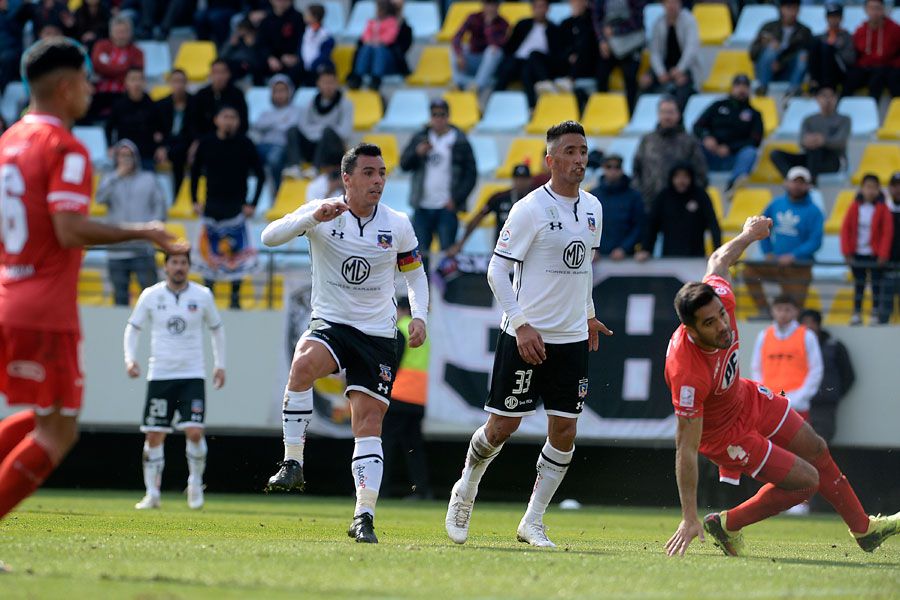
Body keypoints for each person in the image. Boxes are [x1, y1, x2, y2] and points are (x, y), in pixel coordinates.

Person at [0, 38, 181, 542]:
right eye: (85, 81)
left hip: (8, 295)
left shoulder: (8, 142)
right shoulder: (66, 148)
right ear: (64, 87)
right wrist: (144, 231)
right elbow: (69, 229)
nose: (90, 91)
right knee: (59, 432)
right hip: (44, 308)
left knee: (43, 418)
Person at [666, 214, 900, 558]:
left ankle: (863, 530)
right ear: (691, 330)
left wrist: (748, 235)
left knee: (817, 446)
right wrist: (688, 517)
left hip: (746, 398)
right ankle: (727, 524)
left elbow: (718, 260)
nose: (722, 325)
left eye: (720, 314)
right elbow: (685, 449)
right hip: (725, 435)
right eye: (710, 323)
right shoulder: (686, 370)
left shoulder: (721, 299)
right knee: (807, 482)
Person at [444, 121, 613, 548]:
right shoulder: (529, 209)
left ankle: (532, 521)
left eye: (583, 151)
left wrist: (588, 314)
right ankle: (465, 488)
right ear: (550, 159)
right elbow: (496, 271)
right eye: (570, 151)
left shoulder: (593, 207)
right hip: (526, 336)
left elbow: (583, 270)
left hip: (571, 338)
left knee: (565, 432)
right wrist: (520, 324)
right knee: (503, 425)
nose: (579, 159)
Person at [260, 143, 430, 544]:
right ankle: (292, 462)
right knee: (302, 365)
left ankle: (363, 516)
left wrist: (420, 315)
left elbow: (415, 276)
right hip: (332, 323)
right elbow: (269, 237)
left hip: (377, 334)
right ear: (347, 179)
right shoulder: (322, 213)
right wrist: (308, 216)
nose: (378, 181)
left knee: (368, 425)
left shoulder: (398, 223)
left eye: (382, 173)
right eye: (369, 173)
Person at [124, 251, 225, 511]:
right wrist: (130, 359)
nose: (179, 267)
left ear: (189, 267)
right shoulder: (151, 295)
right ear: (166, 266)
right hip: (160, 374)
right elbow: (133, 328)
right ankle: (152, 493)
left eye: (183, 263)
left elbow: (216, 329)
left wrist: (220, 364)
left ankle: (194, 483)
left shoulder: (202, 295)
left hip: (192, 373)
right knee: (155, 435)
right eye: (174, 262)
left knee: (193, 430)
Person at [190, 105, 264, 310]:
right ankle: (208, 301)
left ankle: (235, 299)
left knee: (237, 258)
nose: (229, 121)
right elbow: (195, 172)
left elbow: (260, 174)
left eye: (233, 117)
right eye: (225, 116)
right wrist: (194, 200)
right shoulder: (206, 143)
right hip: (211, 210)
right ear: (216, 120)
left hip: (236, 211)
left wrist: (253, 203)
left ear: (238, 122)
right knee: (208, 259)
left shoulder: (245, 143)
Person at [400, 98, 477, 270]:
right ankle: (421, 296)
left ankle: (447, 296)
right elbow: (404, 164)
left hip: (446, 209)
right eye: (435, 115)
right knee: (419, 258)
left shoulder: (460, 141)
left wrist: (456, 200)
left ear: (448, 116)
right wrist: (417, 153)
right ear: (430, 117)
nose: (438, 119)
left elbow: (471, 175)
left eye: (442, 115)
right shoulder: (420, 138)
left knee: (447, 258)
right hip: (422, 207)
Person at [744, 167, 823, 318]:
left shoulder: (814, 211)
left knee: (794, 310)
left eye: (802, 182)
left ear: (808, 186)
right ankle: (764, 310)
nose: (797, 186)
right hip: (776, 262)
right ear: (786, 183)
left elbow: (816, 241)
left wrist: (794, 256)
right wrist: (767, 252)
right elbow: (761, 226)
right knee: (749, 271)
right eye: (794, 181)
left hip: (799, 267)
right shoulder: (776, 204)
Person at [96, 140, 167, 306]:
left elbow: (160, 207)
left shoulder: (149, 179)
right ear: (116, 158)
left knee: (151, 297)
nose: (126, 159)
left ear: (136, 158)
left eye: (129, 156)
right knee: (119, 298)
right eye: (122, 156)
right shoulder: (110, 179)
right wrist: (117, 175)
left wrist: (151, 228)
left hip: (142, 249)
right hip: (117, 250)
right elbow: (99, 198)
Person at [382, 298, 432, 500]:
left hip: (398, 395)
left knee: (386, 444)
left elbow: (393, 361)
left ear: (401, 309)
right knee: (414, 448)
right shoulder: (423, 334)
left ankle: (379, 489)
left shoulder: (401, 328)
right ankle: (422, 490)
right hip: (418, 398)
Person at [750, 294, 823, 421]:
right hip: (770, 403)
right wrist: (765, 395)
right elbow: (756, 368)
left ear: (796, 312)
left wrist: (800, 397)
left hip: (797, 405)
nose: (783, 314)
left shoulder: (807, 335)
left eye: (787, 309)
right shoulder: (764, 335)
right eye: (779, 309)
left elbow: (816, 370)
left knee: (800, 441)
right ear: (772, 311)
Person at [633, 95, 707, 209]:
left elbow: (700, 174)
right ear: (658, 114)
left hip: (680, 206)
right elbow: (636, 170)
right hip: (649, 204)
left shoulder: (689, 141)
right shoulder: (647, 140)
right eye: (663, 112)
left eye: (671, 112)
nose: (667, 116)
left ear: (678, 114)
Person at [447, 163, 535, 258]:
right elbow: (477, 218)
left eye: (524, 179)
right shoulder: (500, 198)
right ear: (513, 179)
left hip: (529, 249)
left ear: (530, 180)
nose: (520, 182)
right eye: (517, 178)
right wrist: (460, 243)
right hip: (503, 249)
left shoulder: (535, 200)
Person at [692, 74, 762, 192]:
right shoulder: (718, 106)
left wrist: (730, 148)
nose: (741, 89)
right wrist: (706, 137)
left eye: (745, 86)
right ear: (732, 88)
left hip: (734, 158)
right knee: (693, 145)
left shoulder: (754, 114)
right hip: (711, 154)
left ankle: (734, 185)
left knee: (750, 152)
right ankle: (696, 182)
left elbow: (755, 140)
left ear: (749, 90)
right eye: (738, 85)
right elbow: (697, 126)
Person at [840, 174, 894, 326]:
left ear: (878, 190)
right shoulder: (854, 207)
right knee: (859, 285)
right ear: (862, 189)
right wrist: (847, 252)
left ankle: (875, 312)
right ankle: (857, 313)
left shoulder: (883, 209)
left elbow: (887, 233)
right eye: (867, 187)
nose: (870, 191)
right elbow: (846, 230)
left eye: (874, 188)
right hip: (858, 254)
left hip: (874, 255)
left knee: (876, 285)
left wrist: (883, 254)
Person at [638, 162, 721, 260]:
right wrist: (645, 250)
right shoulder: (663, 197)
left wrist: (717, 251)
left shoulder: (700, 196)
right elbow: (652, 226)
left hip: (696, 256)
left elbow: (713, 224)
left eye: (685, 177)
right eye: (677, 177)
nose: (681, 181)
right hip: (669, 257)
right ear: (671, 178)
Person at [770, 86, 849, 185]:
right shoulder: (809, 120)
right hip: (810, 159)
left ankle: (810, 184)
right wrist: (809, 141)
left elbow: (840, 141)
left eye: (831, 96)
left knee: (816, 149)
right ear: (817, 98)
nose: (827, 100)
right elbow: (802, 142)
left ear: (836, 98)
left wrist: (823, 141)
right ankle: (793, 181)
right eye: (824, 96)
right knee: (776, 154)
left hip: (832, 160)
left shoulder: (844, 120)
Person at [283, 65, 351, 179]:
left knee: (328, 131)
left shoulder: (346, 104)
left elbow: (345, 132)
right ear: (318, 83)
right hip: (314, 144)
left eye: (331, 82)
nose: (328, 86)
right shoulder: (311, 102)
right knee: (292, 130)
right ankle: (295, 167)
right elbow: (303, 125)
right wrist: (321, 131)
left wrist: (322, 130)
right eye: (324, 82)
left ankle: (315, 168)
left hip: (333, 149)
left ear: (337, 83)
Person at [799, 309, 855, 444]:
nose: (808, 326)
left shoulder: (834, 345)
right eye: (804, 323)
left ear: (819, 324)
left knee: (821, 444)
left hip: (824, 406)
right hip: (798, 403)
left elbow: (848, 375)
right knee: (798, 444)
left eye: (812, 322)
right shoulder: (792, 346)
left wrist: (832, 393)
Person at [494, 0, 562, 108]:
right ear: (532, 8)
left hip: (538, 63)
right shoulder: (522, 24)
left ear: (548, 9)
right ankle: (494, 102)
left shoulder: (554, 29)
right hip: (517, 61)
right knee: (510, 65)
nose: (539, 10)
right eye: (536, 7)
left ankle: (532, 107)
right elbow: (509, 47)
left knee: (529, 66)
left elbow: (555, 54)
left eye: (542, 7)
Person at [642, 0, 701, 111]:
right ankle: (648, 116)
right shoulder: (658, 23)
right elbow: (654, 52)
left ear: (680, 4)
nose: (671, 6)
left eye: (674, 2)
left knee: (682, 84)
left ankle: (677, 119)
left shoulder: (689, 21)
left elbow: (691, 49)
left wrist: (680, 69)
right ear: (663, 5)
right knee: (645, 81)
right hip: (665, 66)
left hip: (685, 67)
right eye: (668, 2)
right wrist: (661, 72)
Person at [748, 0, 812, 97]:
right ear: (781, 9)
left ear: (799, 10)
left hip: (789, 70)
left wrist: (781, 63)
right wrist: (764, 45)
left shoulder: (804, 31)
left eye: (795, 8)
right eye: (788, 8)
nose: (791, 12)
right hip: (766, 68)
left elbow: (807, 54)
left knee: (803, 55)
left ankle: (793, 90)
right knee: (771, 50)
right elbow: (752, 54)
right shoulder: (768, 27)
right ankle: (762, 88)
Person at [105, 67, 162, 171]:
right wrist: (110, 146)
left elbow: (160, 130)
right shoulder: (118, 105)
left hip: (146, 155)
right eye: (133, 79)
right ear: (126, 82)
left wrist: (160, 147)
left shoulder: (152, 105)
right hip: (124, 155)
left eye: (139, 79)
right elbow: (109, 127)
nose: (136, 83)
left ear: (144, 82)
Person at [250, 74, 298, 194]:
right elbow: (257, 126)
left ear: (290, 92)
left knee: (274, 160)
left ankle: (277, 192)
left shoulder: (296, 111)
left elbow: (288, 127)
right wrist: (278, 121)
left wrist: (271, 124)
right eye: (276, 91)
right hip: (264, 145)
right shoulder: (266, 112)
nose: (279, 94)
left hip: (281, 147)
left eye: (283, 91)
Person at [594, 0, 645, 113]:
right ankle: (603, 112)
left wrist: (616, 30)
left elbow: (638, 20)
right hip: (610, 45)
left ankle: (630, 113)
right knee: (601, 76)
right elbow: (597, 19)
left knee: (630, 77)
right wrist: (602, 40)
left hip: (631, 45)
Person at [89, 14, 143, 120]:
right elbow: (96, 66)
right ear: (111, 33)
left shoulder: (137, 52)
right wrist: (122, 69)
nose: (121, 36)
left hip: (123, 93)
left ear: (130, 33)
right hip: (99, 92)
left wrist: (107, 70)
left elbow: (135, 74)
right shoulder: (101, 45)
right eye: (118, 32)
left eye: (124, 32)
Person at [844, 0, 900, 100]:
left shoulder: (895, 29)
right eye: (871, 8)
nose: (875, 12)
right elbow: (856, 54)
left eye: (878, 8)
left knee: (884, 76)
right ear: (866, 10)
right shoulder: (861, 30)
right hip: (866, 68)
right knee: (850, 78)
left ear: (883, 10)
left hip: (888, 68)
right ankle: (839, 107)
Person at [590, 154, 643, 259]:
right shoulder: (593, 196)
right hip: (597, 258)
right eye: (609, 167)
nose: (613, 171)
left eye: (617, 167)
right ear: (603, 168)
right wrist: (593, 248)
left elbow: (639, 226)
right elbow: (588, 225)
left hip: (625, 258)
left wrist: (624, 248)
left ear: (622, 169)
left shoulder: (634, 196)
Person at [450, 0, 508, 94]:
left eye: (493, 5)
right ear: (483, 5)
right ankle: (457, 81)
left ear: (498, 6)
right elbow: (457, 38)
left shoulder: (503, 23)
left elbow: (496, 44)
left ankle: (477, 86)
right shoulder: (473, 17)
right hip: (473, 58)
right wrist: (459, 55)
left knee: (493, 50)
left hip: (490, 66)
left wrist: (489, 25)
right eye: (487, 4)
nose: (490, 8)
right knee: (456, 48)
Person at [155, 68, 195, 199]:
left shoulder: (195, 103)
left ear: (186, 83)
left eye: (181, 81)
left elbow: (195, 131)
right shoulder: (161, 104)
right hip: (168, 143)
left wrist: (194, 146)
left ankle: (180, 196)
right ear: (170, 83)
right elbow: (157, 130)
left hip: (186, 145)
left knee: (179, 155)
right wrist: (161, 146)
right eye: (175, 81)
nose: (178, 85)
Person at [347, 0, 402, 91]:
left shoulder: (392, 22)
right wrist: (371, 41)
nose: (378, 12)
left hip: (387, 56)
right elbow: (365, 35)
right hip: (371, 51)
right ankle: (358, 75)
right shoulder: (372, 21)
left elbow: (389, 38)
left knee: (379, 50)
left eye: (381, 9)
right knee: (366, 48)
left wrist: (377, 41)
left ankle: (376, 77)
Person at [191, 59, 249, 138]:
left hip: (233, 138)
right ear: (210, 75)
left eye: (222, 72)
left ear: (229, 74)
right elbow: (194, 123)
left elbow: (243, 122)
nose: (219, 76)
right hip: (206, 140)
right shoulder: (201, 95)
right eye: (215, 72)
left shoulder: (237, 94)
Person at [808, 2, 856, 94]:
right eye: (831, 16)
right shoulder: (820, 37)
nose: (833, 19)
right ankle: (814, 81)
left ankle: (827, 86)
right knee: (815, 44)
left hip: (840, 71)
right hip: (821, 72)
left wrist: (836, 50)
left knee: (827, 48)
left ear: (841, 18)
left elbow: (851, 59)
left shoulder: (847, 37)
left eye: (836, 16)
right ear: (826, 18)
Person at [557, 0, 598, 96]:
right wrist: (569, 55)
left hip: (589, 63)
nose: (576, 4)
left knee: (584, 45)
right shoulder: (565, 23)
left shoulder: (593, 21)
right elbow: (560, 45)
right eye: (573, 2)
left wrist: (580, 19)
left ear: (586, 3)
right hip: (568, 63)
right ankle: (547, 82)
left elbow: (590, 43)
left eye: (579, 2)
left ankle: (570, 79)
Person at [297, 3, 335, 87]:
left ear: (315, 16)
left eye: (307, 14)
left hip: (317, 67)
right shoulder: (306, 31)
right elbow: (301, 47)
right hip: (304, 65)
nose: (305, 16)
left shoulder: (325, 34)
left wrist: (314, 64)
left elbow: (325, 53)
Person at [220, 17, 265, 85]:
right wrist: (230, 45)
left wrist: (252, 46)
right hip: (236, 66)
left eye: (246, 30)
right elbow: (222, 56)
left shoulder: (258, 41)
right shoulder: (235, 40)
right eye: (240, 30)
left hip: (252, 67)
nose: (242, 33)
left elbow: (259, 60)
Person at [880, 173, 900, 325]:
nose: (898, 189)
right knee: (884, 310)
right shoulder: (881, 208)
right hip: (886, 267)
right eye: (895, 185)